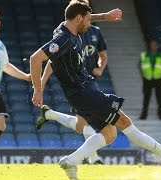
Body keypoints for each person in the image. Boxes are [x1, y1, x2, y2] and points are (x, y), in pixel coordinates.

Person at [29, 1, 161, 179]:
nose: (89, 24)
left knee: (109, 134)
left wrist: (105, 17)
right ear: (78, 18)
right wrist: (38, 90)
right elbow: (35, 59)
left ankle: (71, 161)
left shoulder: (65, 27)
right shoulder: (62, 40)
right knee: (124, 122)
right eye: (87, 20)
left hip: (82, 93)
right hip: (85, 93)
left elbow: (83, 18)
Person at [37, 7, 118, 164]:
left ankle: (49, 114)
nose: (89, 18)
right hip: (78, 87)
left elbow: (103, 56)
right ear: (78, 17)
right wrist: (41, 82)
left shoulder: (95, 32)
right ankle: (93, 159)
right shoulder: (65, 33)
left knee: (81, 126)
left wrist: (100, 68)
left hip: (90, 82)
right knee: (86, 126)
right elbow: (51, 60)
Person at [0, 8, 31, 161]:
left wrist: (26, 77)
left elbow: (6, 66)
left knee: (0, 125)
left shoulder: (1, 45)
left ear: (0, 22)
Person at [139, 38, 161, 120]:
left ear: (157, 46)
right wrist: (143, 76)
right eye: (152, 45)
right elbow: (140, 66)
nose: (153, 46)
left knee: (160, 98)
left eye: (155, 45)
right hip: (147, 79)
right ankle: (144, 115)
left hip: (159, 79)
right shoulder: (144, 55)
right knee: (146, 98)